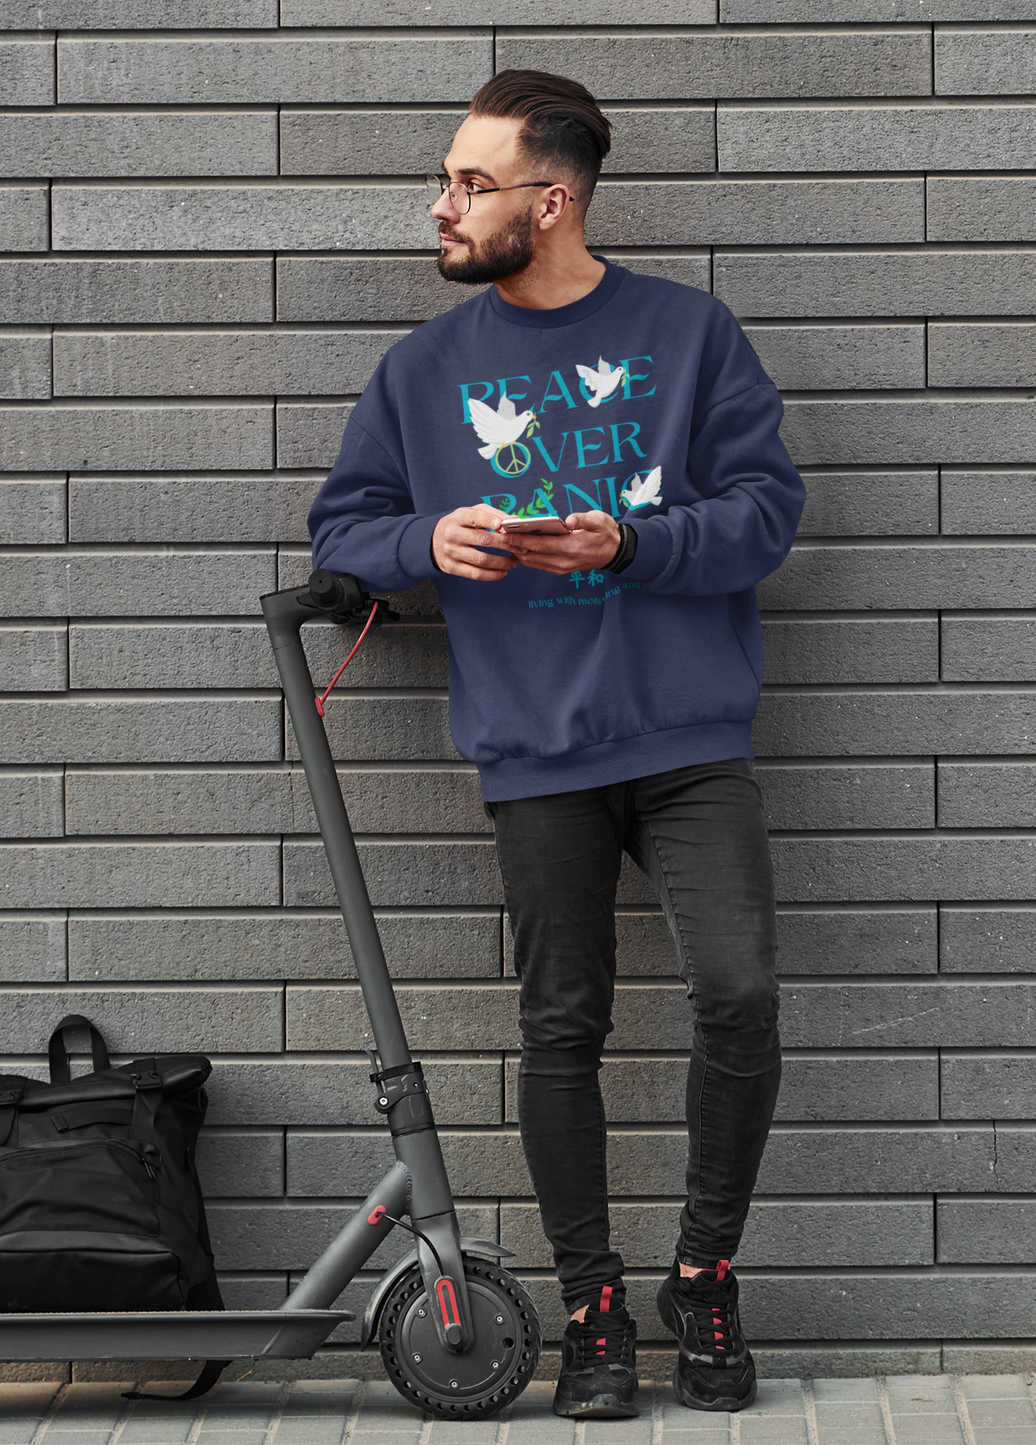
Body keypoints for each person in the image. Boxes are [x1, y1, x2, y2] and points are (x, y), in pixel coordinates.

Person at [308, 70, 804, 1419]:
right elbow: (340, 525)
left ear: (552, 197)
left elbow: (768, 512)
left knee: (741, 995)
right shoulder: (423, 372)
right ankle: (592, 1312)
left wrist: (636, 540)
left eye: (469, 183)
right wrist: (428, 543)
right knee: (560, 1028)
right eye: (448, 181)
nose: (442, 205)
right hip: (538, 751)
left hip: (691, 740)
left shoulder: (689, 335)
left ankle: (701, 1278)